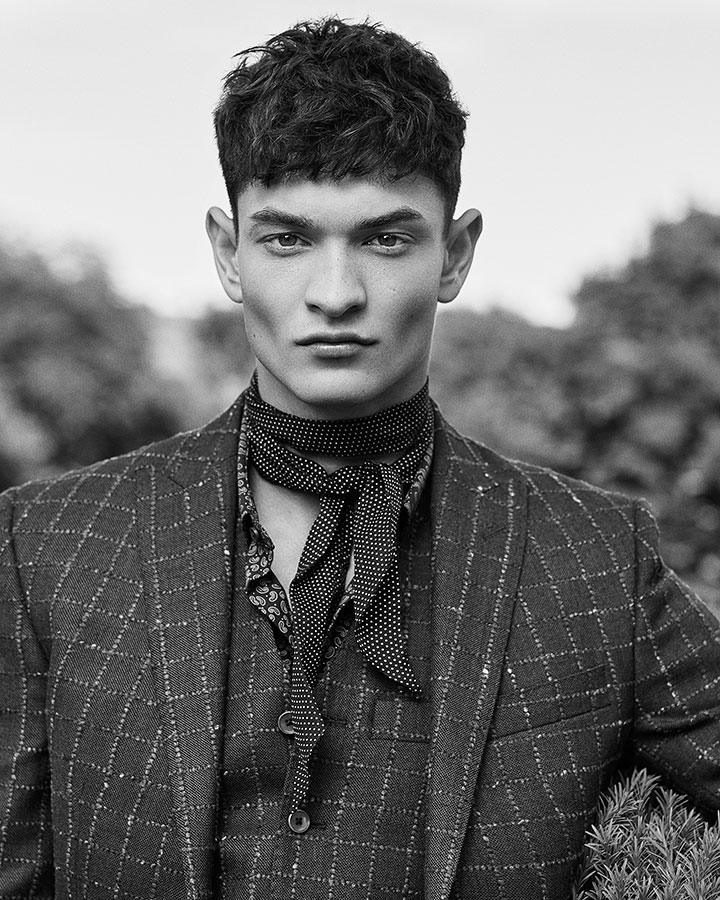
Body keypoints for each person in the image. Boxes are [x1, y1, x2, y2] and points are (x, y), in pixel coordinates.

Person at [1, 17, 718, 900]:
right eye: (287, 239)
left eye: (385, 240)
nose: (335, 295)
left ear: (455, 255)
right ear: (228, 253)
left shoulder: (595, 557)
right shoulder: (46, 546)